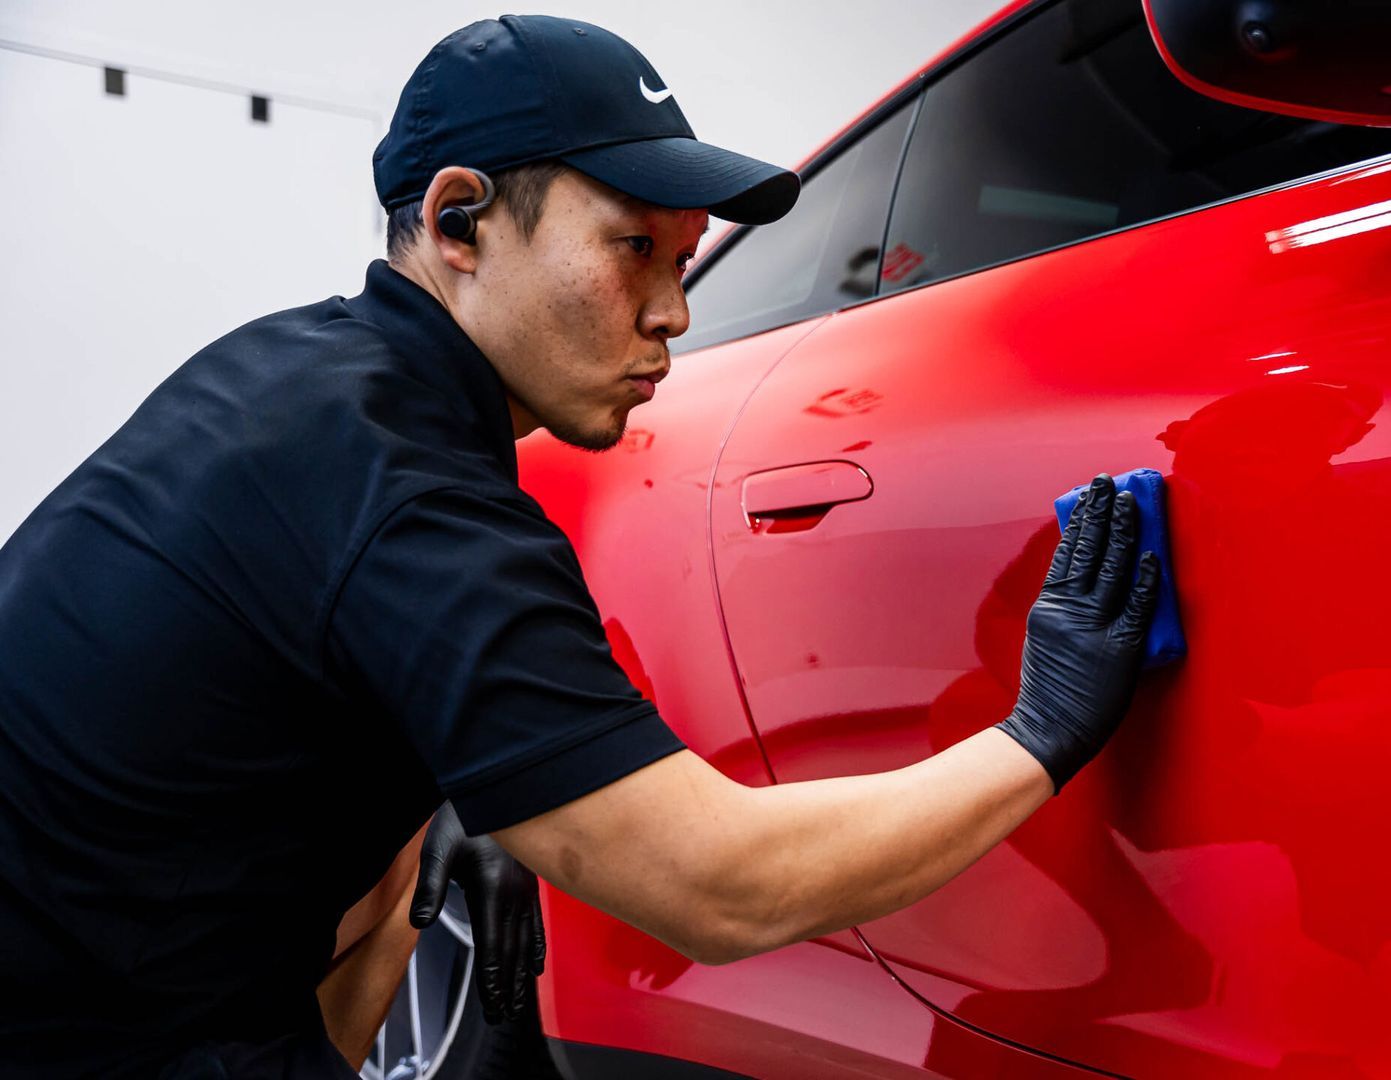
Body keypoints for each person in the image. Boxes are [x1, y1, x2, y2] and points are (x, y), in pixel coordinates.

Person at [0, 15, 1159, 1078]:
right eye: (631, 250)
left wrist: (468, 789)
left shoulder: (303, 374)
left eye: (684, 256)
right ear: (461, 222)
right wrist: (1040, 734)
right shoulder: (416, 497)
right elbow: (724, 889)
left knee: (394, 864)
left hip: (88, 972)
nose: (675, 312)